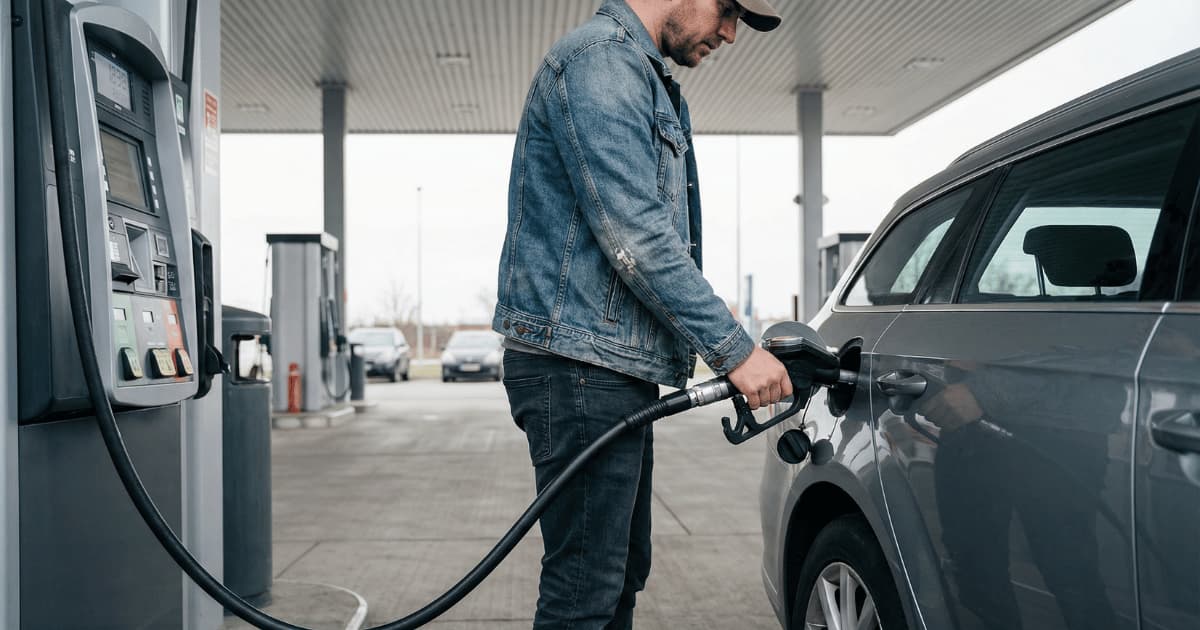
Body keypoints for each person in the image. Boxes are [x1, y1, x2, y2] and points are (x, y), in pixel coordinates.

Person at [492, 0, 788, 627]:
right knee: (585, 594)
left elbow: (639, 243)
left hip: (603, 366)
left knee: (618, 576)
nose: (731, 33)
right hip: (577, 369)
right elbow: (637, 236)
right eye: (728, 9)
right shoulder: (600, 63)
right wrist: (734, 350)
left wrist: (713, 317)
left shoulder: (638, 74)